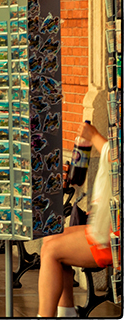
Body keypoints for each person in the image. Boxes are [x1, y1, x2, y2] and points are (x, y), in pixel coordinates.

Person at [37, 121, 115, 318]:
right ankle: (67, 312)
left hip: (115, 237)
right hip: (110, 226)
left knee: (52, 251)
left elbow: (117, 160)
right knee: (51, 237)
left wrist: (94, 135)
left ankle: (45, 316)